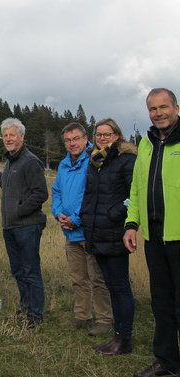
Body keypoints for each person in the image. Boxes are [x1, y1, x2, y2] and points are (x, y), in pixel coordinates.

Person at [125, 88, 180, 377]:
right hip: (155, 237)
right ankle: (167, 360)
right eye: (153, 108)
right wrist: (131, 223)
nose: (158, 113)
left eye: (164, 107)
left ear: (176, 107)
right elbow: (136, 188)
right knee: (161, 302)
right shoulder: (146, 144)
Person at [80, 118, 136, 355]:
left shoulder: (126, 160)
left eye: (107, 134)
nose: (102, 138)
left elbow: (134, 195)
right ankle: (118, 335)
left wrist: (115, 215)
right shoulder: (95, 161)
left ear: (117, 136)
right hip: (96, 232)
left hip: (114, 232)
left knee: (120, 287)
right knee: (111, 286)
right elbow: (91, 194)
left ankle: (123, 339)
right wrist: (85, 215)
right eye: (99, 135)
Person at [0, 118, 48, 329]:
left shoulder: (30, 161)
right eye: (5, 135)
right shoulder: (12, 161)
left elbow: (41, 193)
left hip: (27, 226)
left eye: (12, 134)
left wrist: (19, 210)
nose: (8, 138)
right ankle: (26, 308)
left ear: (22, 136)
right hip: (11, 227)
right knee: (19, 271)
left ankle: (36, 316)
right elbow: (8, 186)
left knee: (30, 271)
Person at [52, 123, 113, 336]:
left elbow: (93, 194)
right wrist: (58, 213)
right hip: (69, 231)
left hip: (89, 230)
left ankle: (104, 319)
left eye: (76, 139)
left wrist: (76, 219)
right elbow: (57, 190)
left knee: (97, 277)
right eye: (68, 140)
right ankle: (82, 316)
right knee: (78, 277)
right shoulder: (63, 165)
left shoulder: (94, 161)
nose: (72, 143)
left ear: (86, 138)